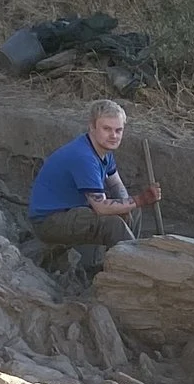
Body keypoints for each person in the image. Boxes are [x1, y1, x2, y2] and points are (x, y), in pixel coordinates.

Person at [27, 100, 160, 270]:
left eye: (118, 130)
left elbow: (116, 183)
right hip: (48, 221)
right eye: (107, 129)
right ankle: (135, 269)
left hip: (72, 210)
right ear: (92, 127)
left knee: (132, 208)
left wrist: (128, 206)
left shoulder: (103, 150)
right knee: (113, 225)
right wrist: (141, 199)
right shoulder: (84, 157)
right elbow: (101, 208)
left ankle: (116, 262)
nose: (114, 135)